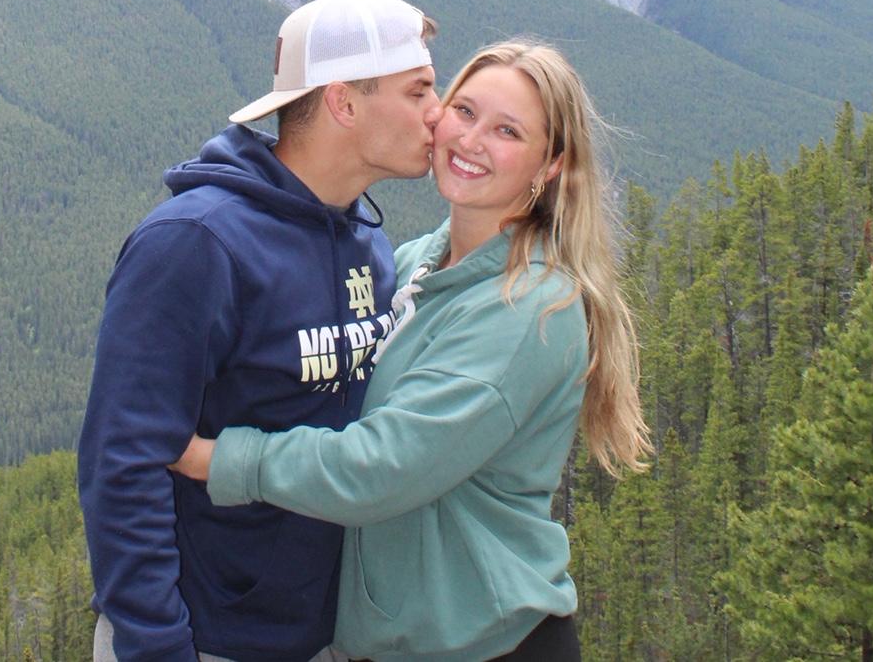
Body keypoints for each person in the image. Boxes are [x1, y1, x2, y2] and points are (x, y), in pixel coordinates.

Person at [173, 41, 650, 662]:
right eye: (465, 111)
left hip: (482, 644)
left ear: (550, 165)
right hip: (407, 639)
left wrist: (215, 458)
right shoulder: (418, 262)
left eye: (507, 131)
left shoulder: (529, 310)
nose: (471, 140)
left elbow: (384, 467)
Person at [78, 0, 442, 662]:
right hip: (205, 639)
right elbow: (123, 462)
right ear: (344, 102)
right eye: (418, 91)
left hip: (328, 639)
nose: (438, 112)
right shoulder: (195, 244)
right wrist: (159, 646)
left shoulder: (367, 244)